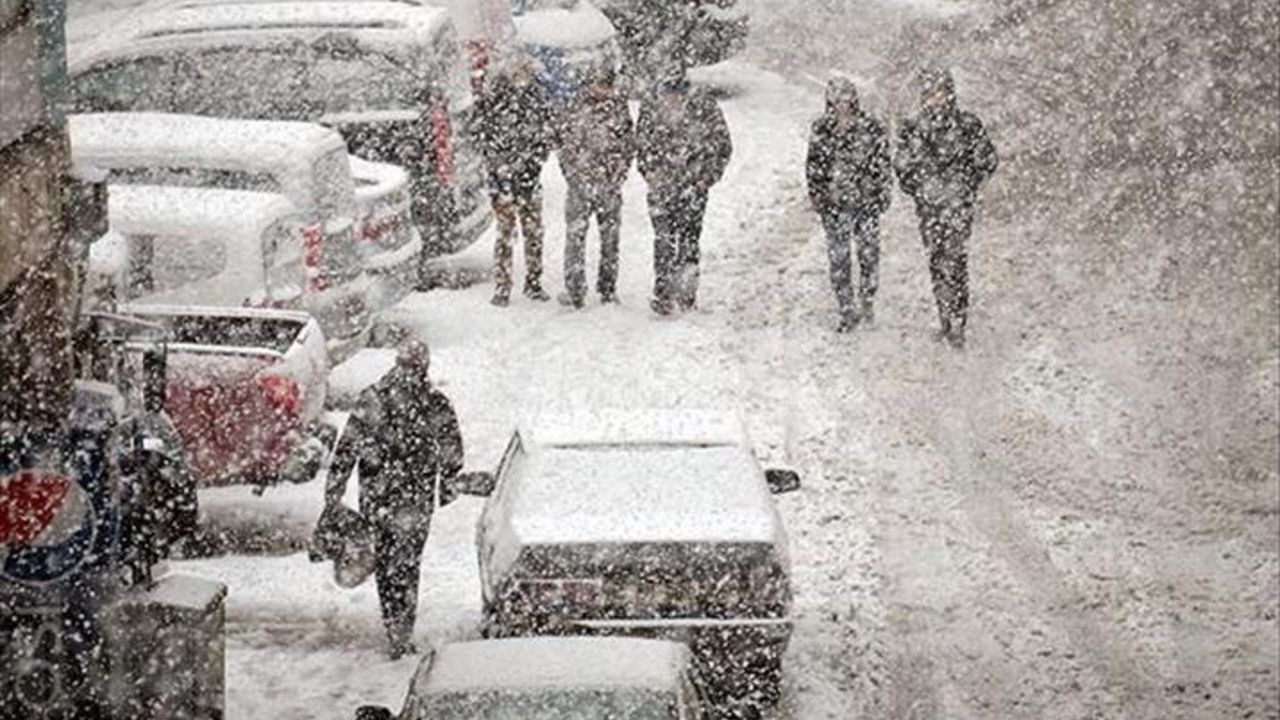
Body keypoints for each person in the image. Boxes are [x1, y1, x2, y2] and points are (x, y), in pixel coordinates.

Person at [325, 340, 464, 658]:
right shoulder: (433, 402)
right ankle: (401, 629)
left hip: (378, 497)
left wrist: (335, 489)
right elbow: (452, 448)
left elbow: (347, 447)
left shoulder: (372, 399)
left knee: (387, 564)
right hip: (414, 499)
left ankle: (394, 623)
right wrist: (447, 484)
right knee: (406, 565)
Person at [894, 68, 998, 348]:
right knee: (936, 260)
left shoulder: (967, 124)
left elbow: (988, 159)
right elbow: (901, 164)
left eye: (941, 92)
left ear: (950, 93)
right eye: (930, 93)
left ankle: (958, 320)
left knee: (956, 259)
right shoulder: (913, 126)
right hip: (928, 208)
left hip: (957, 207)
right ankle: (943, 314)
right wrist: (919, 189)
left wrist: (966, 186)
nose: (936, 98)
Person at [636, 74, 732, 315]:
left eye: (676, 95)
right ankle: (664, 293)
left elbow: (722, 145)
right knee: (663, 240)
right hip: (662, 188)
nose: (672, 101)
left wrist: (706, 178)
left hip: (693, 188)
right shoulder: (651, 110)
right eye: (668, 95)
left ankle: (687, 293)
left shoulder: (705, 110)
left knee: (689, 240)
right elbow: (641, 144)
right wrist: (648, 170)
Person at [806, 77, 892, 332]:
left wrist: (881, 194)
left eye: (846, 100)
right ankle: (846, 308)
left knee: (868, 255)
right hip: (834, 205)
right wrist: (819, 196)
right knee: (839, 259)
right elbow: (813, 167)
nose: (842, 105)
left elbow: (882, 163)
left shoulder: (871, 127)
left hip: (866, 203)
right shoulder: (821, 129)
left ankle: (866, 299)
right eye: (837, 100)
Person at [473, 58, 555, 306]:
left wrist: (533, 164)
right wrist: (499, 170)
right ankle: (504, 284)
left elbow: (544, 137)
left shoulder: (534, 99)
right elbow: (483, 138)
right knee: (507, 234)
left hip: (526, 177)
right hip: (505, 178)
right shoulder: (496, 101)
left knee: (531, 233)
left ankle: (532, 280)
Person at [556, 66, 635, 308]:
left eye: (607, 86)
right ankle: (575, 288)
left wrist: (619, 173)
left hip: (609, 186)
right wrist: (572, 174)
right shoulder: (574, 107)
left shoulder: (618, 108)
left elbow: (628, 144)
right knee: (575, 238)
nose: (603, 91)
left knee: (610, 240)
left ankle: (608, 288)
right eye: (599, 85)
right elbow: (562, 143)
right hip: (580, 184)